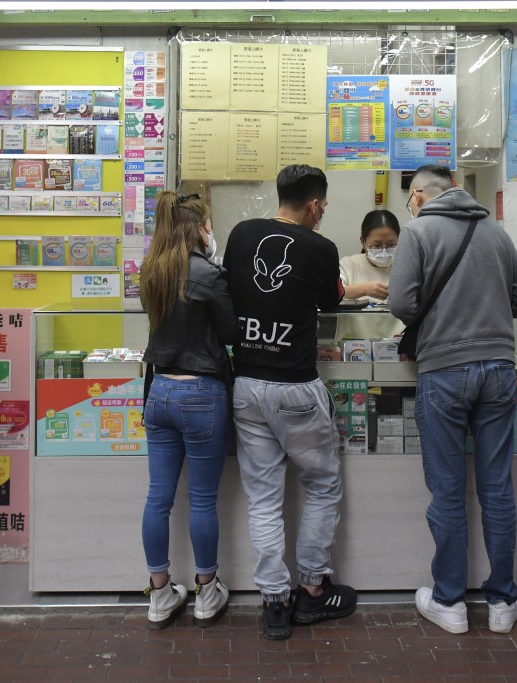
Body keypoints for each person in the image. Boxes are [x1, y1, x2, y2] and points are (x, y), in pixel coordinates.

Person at [389, 163, 517, 635]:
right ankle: (502, 602)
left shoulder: (417, 232)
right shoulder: (494, 233)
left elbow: (400, 305)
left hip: (444, 371)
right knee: (497, 488)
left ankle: (450, 602)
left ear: (418, 195)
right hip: (498, 369)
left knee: (449, 489)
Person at [224, 164, 357, 641]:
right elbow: (331, 301)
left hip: (247, 384)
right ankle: (313, 590)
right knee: (321, 485)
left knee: (263, 499)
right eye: (324, 207)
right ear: (315, 205)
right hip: (297, 387)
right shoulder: (321, 248)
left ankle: (275, 604)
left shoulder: (241, 235)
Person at [140, 191, 238, 629]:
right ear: (199, 228)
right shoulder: (208, 274)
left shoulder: (152, 271)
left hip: (159, 392)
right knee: (202, 500)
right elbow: (232, 331)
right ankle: (206, 590)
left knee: (158, 499)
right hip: (202, 394)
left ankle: (160, 592)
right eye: (207, 224)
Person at [339, 209, 401, 302]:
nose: (384, 252)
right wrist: (364, 289)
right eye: (376, 246)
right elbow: (332, 294)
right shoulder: (348, 265)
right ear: (363, 242)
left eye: (391, 245)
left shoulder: (405, 267)